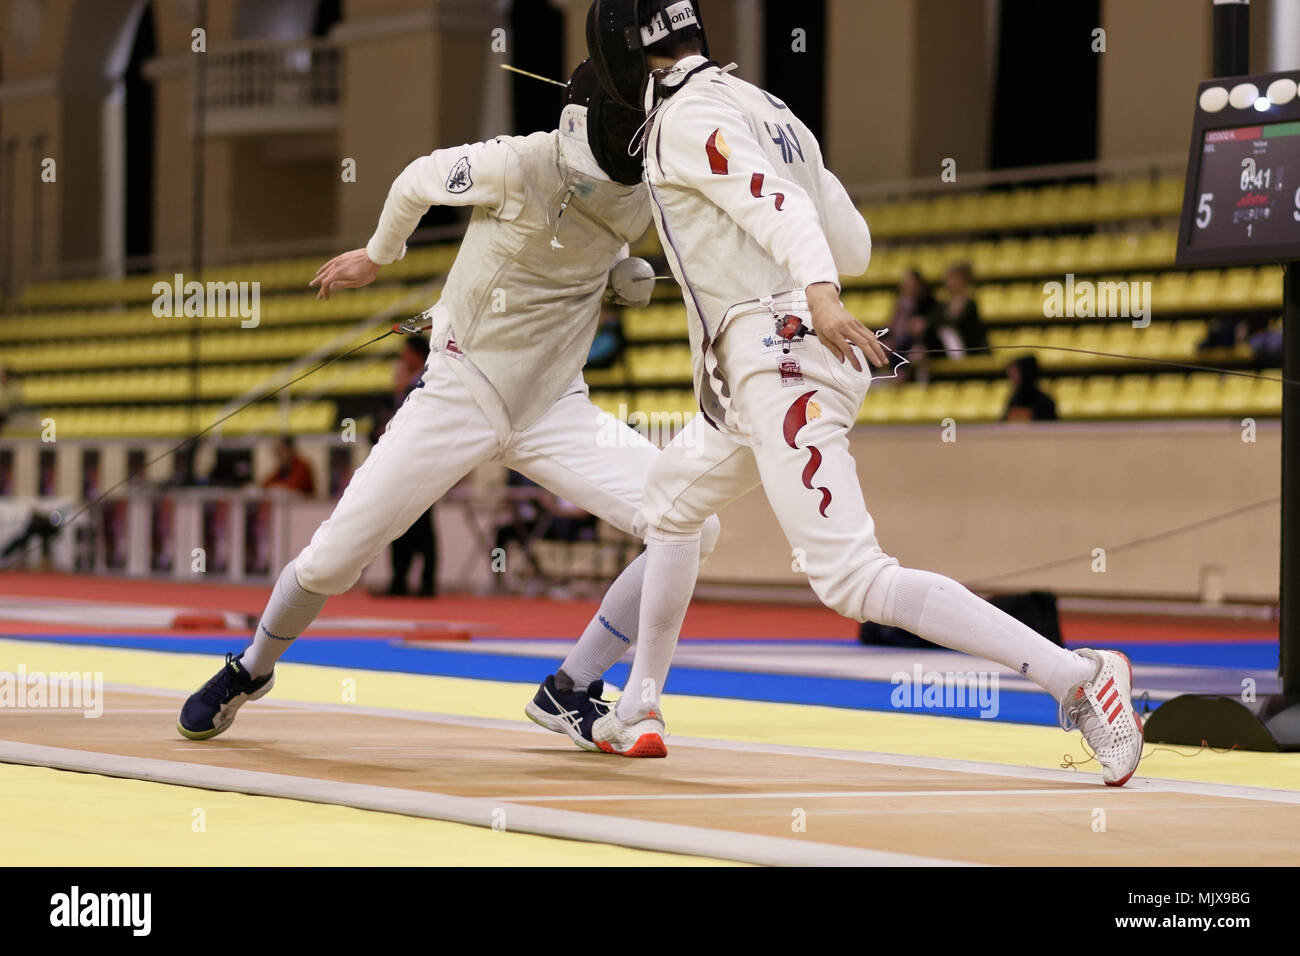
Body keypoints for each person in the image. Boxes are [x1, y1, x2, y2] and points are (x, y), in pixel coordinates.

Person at [581, 0, 1142, 785]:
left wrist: (814, 292)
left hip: (782, 360)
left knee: (850, 578)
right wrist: (786, 275)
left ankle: (1079, 679)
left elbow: (779, 211)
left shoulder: (684, 120)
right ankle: (638, 704)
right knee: (672, 503)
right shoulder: (771, 109)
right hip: (766, 368)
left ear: (616, 50)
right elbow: (856, 241)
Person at [176, 59, 721, 749]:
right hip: (461, 391)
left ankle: (571, 688)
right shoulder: (516, 163)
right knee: (329, 563)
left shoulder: (643, 185)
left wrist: (618, 272)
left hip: (553, 406)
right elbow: (415, 180)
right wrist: (379, 254)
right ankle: (252, 666)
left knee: (691, 525)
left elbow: (578, 248)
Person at [385, 337, 438, 597]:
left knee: (421, 526)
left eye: (406, 354)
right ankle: (401, 580)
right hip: (407, 463)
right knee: (403, 525)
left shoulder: (425, 381)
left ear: (416, 355)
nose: (401, 359)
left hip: (421, 462)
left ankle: (424, 582)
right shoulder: (407, 385)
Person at [1003, 354, 1058, 422]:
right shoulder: (1013, 400)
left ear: (1025, 373)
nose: (1011, 379)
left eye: (1015, 374)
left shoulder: (1044, 403)